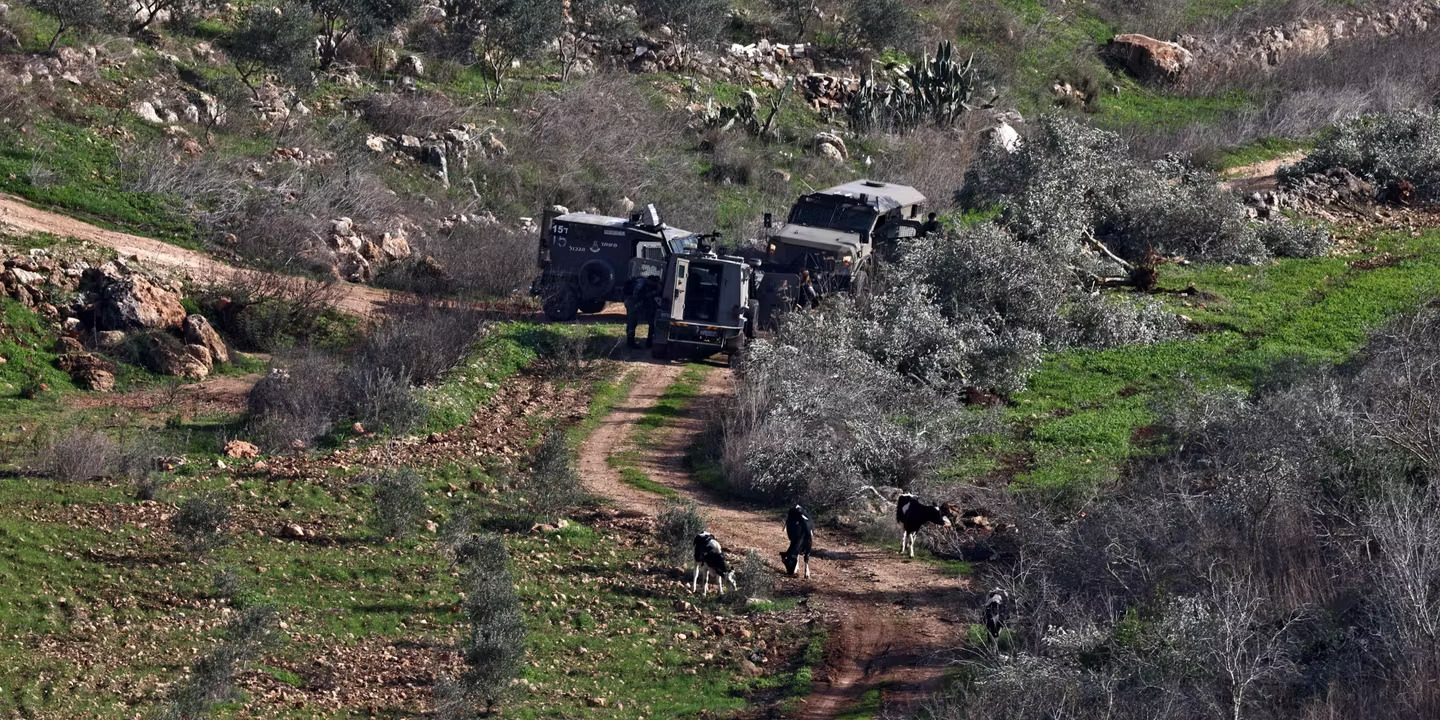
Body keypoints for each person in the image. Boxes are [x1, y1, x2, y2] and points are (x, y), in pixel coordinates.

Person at [624, 274, 660, 347]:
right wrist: (653, 293)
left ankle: (631, 341)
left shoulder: (640, 282)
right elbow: (639, 295)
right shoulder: (641, 283)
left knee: (632, 322)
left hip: (630, 303)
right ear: (650, 281)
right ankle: (630, 343)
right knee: (632, 322)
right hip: (633, 304)